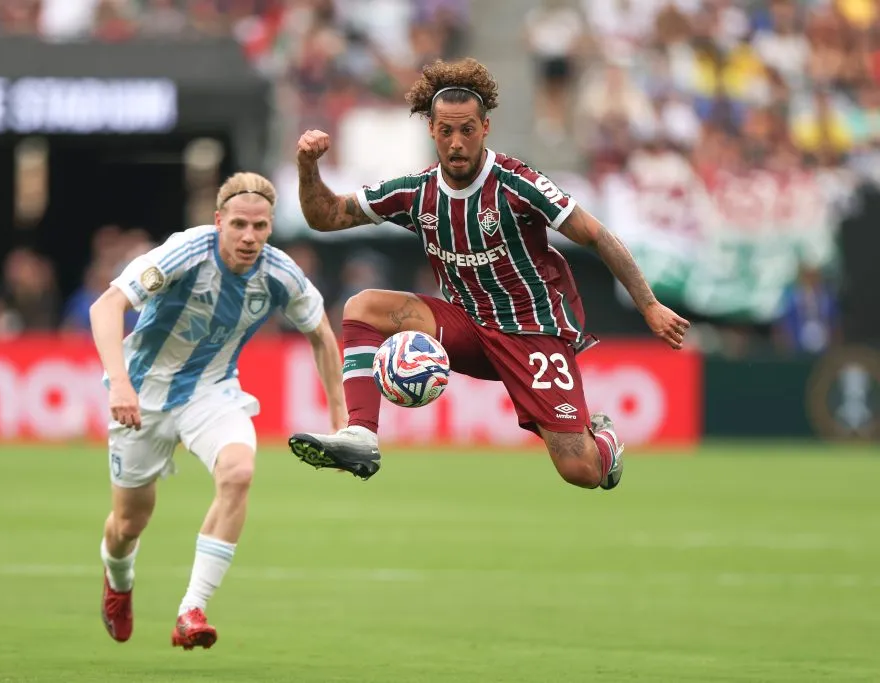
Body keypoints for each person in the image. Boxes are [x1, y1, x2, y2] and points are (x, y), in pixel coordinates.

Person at [287, 58, 690, 489]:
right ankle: (361, 436)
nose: (456, 143)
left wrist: (649, 305)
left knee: (582, 472)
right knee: (363, 307)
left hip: (533, 331)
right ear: (431, 130)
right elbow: (325, 216)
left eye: (467, 130)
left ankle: (603, 439)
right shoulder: (416, 192)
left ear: (485, 128)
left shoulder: (518, 184)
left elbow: (596, 235)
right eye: (446, 131)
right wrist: (308, 167)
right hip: (468, 327)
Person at [89, 172, 346, 650]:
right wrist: (119, 384)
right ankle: (118, 579)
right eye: (239, 225)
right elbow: (106, 307)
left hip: (212, 391)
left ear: (271, 227)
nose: (249, 237)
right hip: (142, 396)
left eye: (260, 226)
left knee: (239, 472)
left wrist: (341, 423)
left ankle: (192, 609)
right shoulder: (185, 252)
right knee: (128, 524)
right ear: (219, 221)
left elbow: (322, 336)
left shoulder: (280, 273)